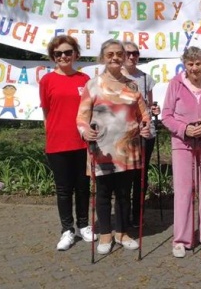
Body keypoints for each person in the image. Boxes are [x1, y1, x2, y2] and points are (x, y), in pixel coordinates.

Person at [76, 39, 151, 255]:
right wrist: (85, 131)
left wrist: (145, 128)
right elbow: (81, 117)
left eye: (119, 54)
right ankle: (106, 234)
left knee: (123, 193)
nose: (115, 58)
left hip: (128, 149)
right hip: (103, 149)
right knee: (103, 193)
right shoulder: (93, 84)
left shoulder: (132, 85)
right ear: (103, 57)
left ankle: (122, 232)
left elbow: (143, 115)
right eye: (110, 54)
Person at [161, 46, 201, 258]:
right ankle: (181, 239)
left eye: (198, 63)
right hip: (183, 145)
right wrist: (185, 129)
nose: (195, 68)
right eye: (190, 64)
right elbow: (167, 116)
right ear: (184, 65)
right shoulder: (175, 84)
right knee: (184, 192)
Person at [39, 35, 94, 251]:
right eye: (58, 53)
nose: (63, 56)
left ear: (75, 54)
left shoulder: (85, 79)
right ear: (53, 57)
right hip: (58, 143)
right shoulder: (47, 81)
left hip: (82, 142)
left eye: (67, 52)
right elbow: (46, 111)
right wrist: (51, 133)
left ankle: (84, 225)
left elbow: (91, 110)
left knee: (82, 186)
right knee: (63, 189)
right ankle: (67, 230)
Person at [121, 41, 160, 228]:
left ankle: (137, 215)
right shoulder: (115, 78)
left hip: (145, 133)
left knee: (140, 176)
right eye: (128, 53)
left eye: (135, 53)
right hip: (123, 134)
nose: (131, 57)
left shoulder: (145, 78)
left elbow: (150, 107)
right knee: (124, 175)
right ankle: (123, 214)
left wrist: (154, 110)